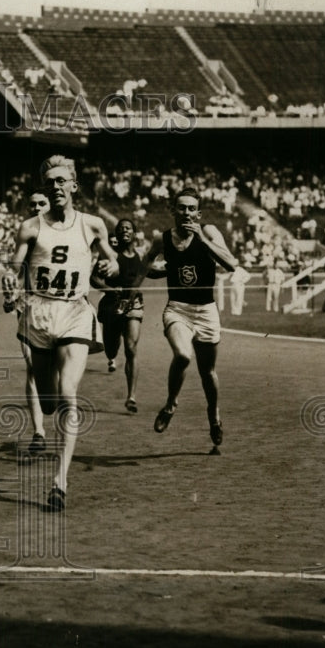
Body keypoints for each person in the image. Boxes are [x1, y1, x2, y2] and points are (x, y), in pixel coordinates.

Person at [2, 156, 120, 511]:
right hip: (39, 313)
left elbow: (112, 260)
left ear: (73, 186)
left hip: (74, 312)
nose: (55, 186)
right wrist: (10, 279)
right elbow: (14, 265)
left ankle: (60, 482)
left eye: (61, 180)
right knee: (50, 403)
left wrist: (110, 264)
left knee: (69, 392)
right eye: (49, 181)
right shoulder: (30, 227)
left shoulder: (92, 225)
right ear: (44, 187)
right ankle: (49, 419)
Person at [135, 187, 238, 452]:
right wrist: (130, 292)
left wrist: (203, 240)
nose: (187, 213)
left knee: (208, 372)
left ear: (199, 213)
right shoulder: (163, 239)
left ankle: (214, 416)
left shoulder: (210, 232)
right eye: (182, 208)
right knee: (182, 355)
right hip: (178, 309)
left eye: (192, 208)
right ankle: (170, 404)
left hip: (206, 311)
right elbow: (145, 266)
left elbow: (230, 263)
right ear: (173, 211)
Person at [3, 190, 50, 456]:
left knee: (55, 370)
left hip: (60, 307)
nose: (36, 207)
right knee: (32, 366)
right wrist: (10, 294)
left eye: (41, 203)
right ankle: (39, 432)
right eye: (32, 204)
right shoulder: (25, 236)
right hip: (29, 306)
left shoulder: (65, 233)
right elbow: (15, 272)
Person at [96, 218, 145, 413]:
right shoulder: (109, 256)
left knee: (131, 348)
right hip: (112, 306)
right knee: (111, 348)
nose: (125, 231)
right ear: (116, 234)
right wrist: (110, 290)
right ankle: (111, 355)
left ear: (134, 234)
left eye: (129, 228)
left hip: (133, 303)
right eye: (121, 228)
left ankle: (131, 396)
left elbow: (146, 272)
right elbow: (94, 279)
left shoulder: (139, 256)